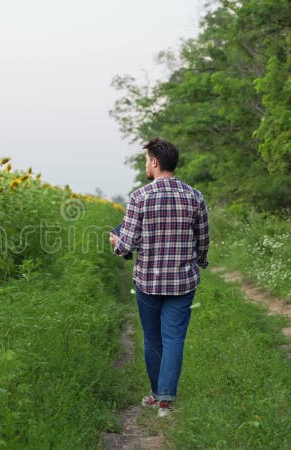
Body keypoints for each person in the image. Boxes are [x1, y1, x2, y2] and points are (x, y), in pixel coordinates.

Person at [108, 137, 209, 418]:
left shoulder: (139, 197)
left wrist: (115, 241)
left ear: (154, 162)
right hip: (183, 281)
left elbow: (126, 245)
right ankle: (166, 400)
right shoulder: (194, 196)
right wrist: (199, 262)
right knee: (174, 337)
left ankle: (157, 394)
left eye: (146, 160)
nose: (145, 166)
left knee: (153, 339)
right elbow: (203, 240)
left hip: (148, 283)